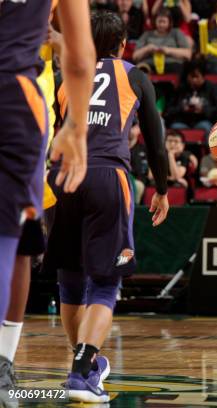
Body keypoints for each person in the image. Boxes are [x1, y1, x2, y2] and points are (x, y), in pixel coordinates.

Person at [46, 11, 170, 402]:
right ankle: (83, 373)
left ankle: (83, 362)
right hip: (106, 176)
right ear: (122, 44)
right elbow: (155, 139)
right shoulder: (134, 75)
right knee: (105, 282)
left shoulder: (64, 72)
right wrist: (162, 188)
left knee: (69, 279)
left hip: (62, 176)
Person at [0, 0, 96, 394]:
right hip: (17, 101)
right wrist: (77, 128)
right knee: (13, 240)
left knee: (21, 243)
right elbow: (80, 57)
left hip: (27, 97)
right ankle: (3, 361)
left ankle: (5, 359)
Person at [165, 59, 217, 132]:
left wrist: (203, 110)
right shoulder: (180, 89)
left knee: (206, 127)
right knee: (175, 127)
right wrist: (182, 108)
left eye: (196, 76)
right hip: (183, 121)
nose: (194, 80)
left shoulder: (211, 88)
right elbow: (169, 110)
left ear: (203, 76)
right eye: (191, 77)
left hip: (204, 121)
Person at [133, 8, 192, 74]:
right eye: (159, 21)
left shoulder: (176, 32)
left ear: (169, 22)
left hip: (172, 64)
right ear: (155, 21)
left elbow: (188, 54)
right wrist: (148, 49)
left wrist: (167, 50)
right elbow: (135, 57)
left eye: (164, 22)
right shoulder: (147, 34)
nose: (161, 25)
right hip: (149, 65)